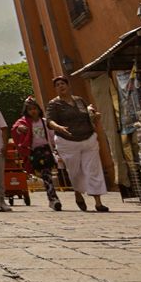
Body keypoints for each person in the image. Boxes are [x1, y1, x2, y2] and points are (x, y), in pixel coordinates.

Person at [47, 75, 110, 212]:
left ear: (68, 85)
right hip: (67, 141)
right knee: (75, 172)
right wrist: (58, 127)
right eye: (57, 85)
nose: (61, 86)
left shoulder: (79, 100)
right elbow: (50, 121)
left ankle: (98, 202)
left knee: (93, 169)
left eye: (63, 83)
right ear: (55, 89)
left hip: (88, 138)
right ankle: (78, 192)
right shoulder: (54, 104)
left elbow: (89, 114)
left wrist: (95, 116)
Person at [14, 96, 62, 211]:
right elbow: (16, 129)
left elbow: (51, 136)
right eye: (30, 109)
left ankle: (53, 199)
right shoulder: (23, 122)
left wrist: (56, 149)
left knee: (47, 174)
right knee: (45, 175)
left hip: (46, 150)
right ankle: (52, 198)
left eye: (34, 108)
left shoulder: (44, 122)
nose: (33, 111)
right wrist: (19, 129)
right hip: (34, 152)